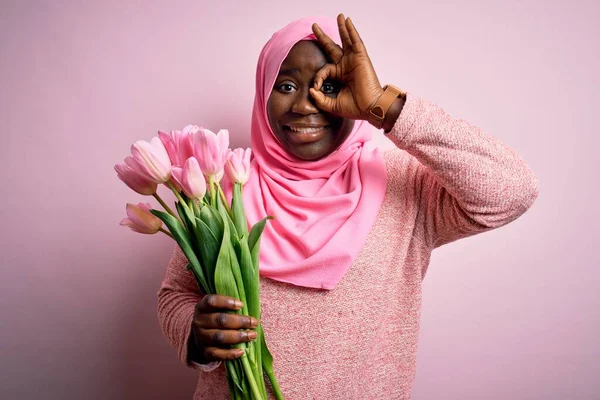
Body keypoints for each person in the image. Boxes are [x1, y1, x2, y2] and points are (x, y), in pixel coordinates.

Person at [157, 14, 539, 399]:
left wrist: (384, 107)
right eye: (286, 85)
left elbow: (512, 190)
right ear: (262, 92)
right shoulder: (220, 188)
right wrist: (195, 332)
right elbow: (175, 294)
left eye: (330, 86)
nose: (306, 106)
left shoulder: (403, 184)